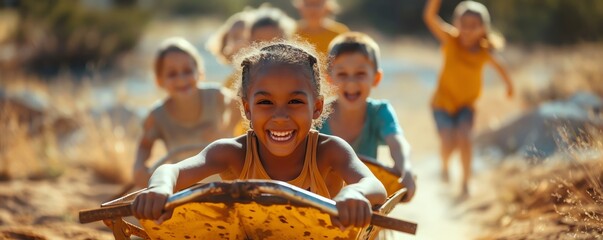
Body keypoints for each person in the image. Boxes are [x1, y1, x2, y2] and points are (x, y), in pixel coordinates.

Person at [131, 41, 387, 229]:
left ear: (317, 108)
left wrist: (354, 194)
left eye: (295, 101)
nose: (280, 116)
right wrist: (160, 188)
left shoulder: (329, 151)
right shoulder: (232, 153)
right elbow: (170, 171)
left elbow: (374, 185)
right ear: (246, 108)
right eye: (265, 103)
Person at [423, 0, 514, 196]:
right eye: (463, 24)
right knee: (448, 141)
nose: (467, 30)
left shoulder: (483, 51)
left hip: (466, 105)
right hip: (442, 103)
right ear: (456, 24)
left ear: (483, 28)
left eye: (473, 26)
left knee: (465, 138)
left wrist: (509, 86)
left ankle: (465, 182)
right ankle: (445, 166)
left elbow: (501, 67)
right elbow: (430, 18)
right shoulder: (451, 40)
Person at [319, 32, 416, 201]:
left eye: (360, 74)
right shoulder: (318, 115)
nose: (351, 82)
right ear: (329, 79)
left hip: (365, 199)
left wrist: (405, 168)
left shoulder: (379, 112)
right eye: (342, 74)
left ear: (376, 78)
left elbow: (397, 143)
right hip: (323, 200)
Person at [132, 37, 240, 188]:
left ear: (200, 73)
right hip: (184, 187)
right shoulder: (157, 115)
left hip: (225, 183)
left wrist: (224, 130)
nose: (181, 79)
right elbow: (144, 145)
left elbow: (240, 107)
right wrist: (139, 169)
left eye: (188, 71)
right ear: (159, 80)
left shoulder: (215, 96)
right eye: (172, 74)